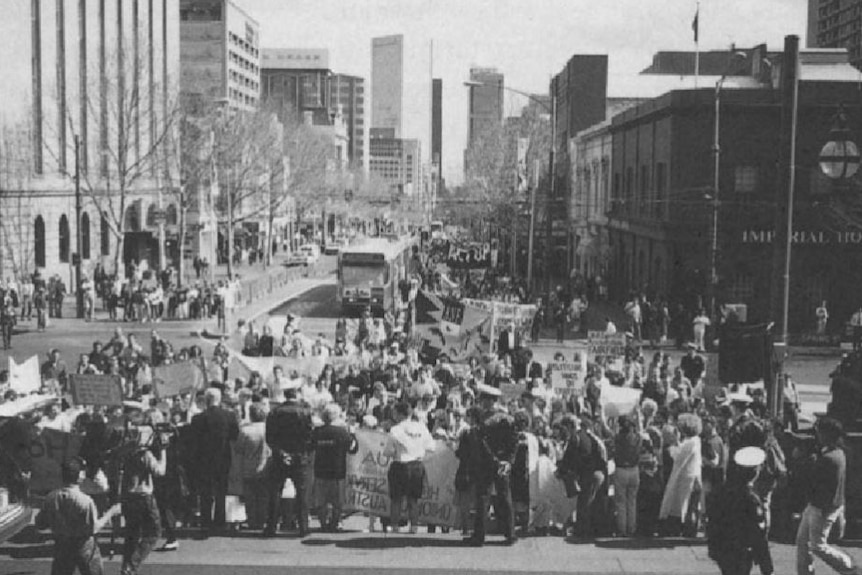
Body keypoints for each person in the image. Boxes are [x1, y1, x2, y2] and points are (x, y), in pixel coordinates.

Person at [796, 417, 860, 575]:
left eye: (819, 432)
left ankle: (848, 566)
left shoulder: (828, 458)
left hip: (822, 507)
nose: (817, 435)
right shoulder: (837, 453)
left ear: (827, 434)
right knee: (803, 542)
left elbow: (812, 479)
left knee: (818, 545)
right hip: (821, 505)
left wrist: (805, 461)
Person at [35, 457, 121, 575]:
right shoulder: (85, 501)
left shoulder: (51, 497)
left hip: (62, 545)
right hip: (84, 546)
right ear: (80, 475)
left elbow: (40, 524)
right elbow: (93, 528)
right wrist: (111, 512)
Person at [463, 384, 518, 546]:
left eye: (483, 399)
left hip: (486, 463)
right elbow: (514, 441)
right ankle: (510, 534)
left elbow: (482, 443)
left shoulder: (483, 419)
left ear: (488, 401)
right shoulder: (508, 417)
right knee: (505, 497)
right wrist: (508, 461)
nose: (482, 403)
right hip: (503, 463)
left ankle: (479, 536)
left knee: (483, 498)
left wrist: (495, 461)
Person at [707, 446, 774, 575]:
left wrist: (713, 548)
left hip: (723, 549)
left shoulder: (722, 491)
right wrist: (767, 567)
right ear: (755, 471)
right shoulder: (751, 499)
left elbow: (713, 521)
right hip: (742, 552)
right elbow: (759, 535)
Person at [264, 382, 313, 537]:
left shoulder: (274, 412)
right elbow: (309, 436)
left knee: (274, 493)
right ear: (296, 395)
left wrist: (281, 453)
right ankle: (303, 527)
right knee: (302, 493)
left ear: (285, 396)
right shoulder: (305, 412)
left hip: (280, 457)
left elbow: (269, 437)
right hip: (299, 457)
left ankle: (271, 526)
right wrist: (300, 453)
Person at [119, 424, 168, 575]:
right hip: (143, 495)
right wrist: (163, 451)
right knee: (154, 532)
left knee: (132, 534)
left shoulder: (125, 451)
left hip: (128, 495)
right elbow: (160, 471)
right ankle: (132, 565)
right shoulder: (144, 454)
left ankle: (126, 565)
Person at [190, 387, 239, 535]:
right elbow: (234, 435)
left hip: (204, 458)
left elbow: (193, 440)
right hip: (223, 457)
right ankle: (220, 521)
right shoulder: (229, 416)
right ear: (220, 399)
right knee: (221, 491)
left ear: (206, 400)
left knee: (205, 491)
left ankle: (206, 522)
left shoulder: (198, 419)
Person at [386, 401, 436, 534]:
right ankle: (414, 527)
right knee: (413, 499)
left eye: (395, 412)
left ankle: (395, 526)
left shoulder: (395, 430)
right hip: (416, 465)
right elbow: (431, 447)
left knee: (396, 499)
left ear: (399, 414)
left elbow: (388, 451)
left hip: (400, 464)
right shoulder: (422, 428)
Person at [311, 403, 358, 532]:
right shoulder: (341, 432)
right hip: (338, 471)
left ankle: (323, 524)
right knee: (337, 501)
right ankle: (334, 523)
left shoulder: (317, 432)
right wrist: (352, 434)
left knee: (321, 501)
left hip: (320, 471)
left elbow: (310, 447)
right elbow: (353, 449)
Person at [234, 403, 271, 530]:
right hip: (266, 467)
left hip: (249, 467)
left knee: (250, 497)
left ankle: (252, 521)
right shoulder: (270, 429)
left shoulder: (245, 430)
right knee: (264, 496)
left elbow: (238, 449)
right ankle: (263, 519)